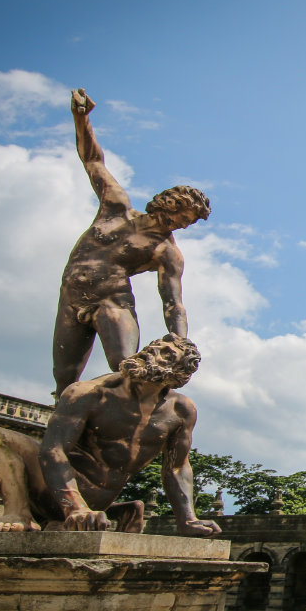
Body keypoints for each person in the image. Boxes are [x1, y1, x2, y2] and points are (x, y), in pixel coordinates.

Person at [0, 335, 220, 537]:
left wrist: (188, 520)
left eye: (166, 353)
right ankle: (17, 514)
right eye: (153, 346)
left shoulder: (180, 410)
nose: (153, 352)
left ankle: (110, 511)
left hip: (98, 504)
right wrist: (75, 507)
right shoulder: (89, 393)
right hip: (55, 491)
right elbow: (53, 450)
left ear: (179, 373)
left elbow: (176, 468)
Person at [53, 88, 211, 396]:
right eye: (182, 215)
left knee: (127, 367)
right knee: (64, 377)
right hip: (71, 297)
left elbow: (173, 302)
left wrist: (181, 342)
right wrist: (81, 118)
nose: (181, 223)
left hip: (112, 301)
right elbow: (92, 160)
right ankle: (72, 430)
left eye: (188, 222)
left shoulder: (166, 251)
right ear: (167, 202)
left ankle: (131, 422)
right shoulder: (115, 207)